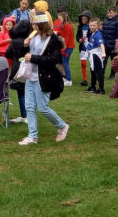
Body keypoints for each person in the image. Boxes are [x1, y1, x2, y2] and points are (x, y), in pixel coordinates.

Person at [17, 10, 69, 146]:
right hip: (30, 76)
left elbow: (54, 59)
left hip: (44, 77)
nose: (33, 26)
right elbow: (26, 54)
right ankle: (32, 136)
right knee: (29, 107)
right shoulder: (33, 37)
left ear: (42, 24)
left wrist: (33, 57)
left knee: (43, 108)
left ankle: (62, 126)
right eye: (32, 24)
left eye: (35, 24)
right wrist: (25, 47)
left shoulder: (53, 39)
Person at [5, 18, 32, 124]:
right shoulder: (29, 40)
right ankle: (26, 115)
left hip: (17, 68)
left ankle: (25, 114)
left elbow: (8, 53)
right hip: (28, 67)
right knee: (27, 92)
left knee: (21, 92)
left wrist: (16, 57)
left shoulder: (14, 41)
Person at [54, 9, 75, 86]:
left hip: (68, 48)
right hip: (67, 47)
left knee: (65, 63)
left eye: (60, 19)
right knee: (64, 63)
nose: (59, 21)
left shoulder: (67, 26)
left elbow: (66, 39)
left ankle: (69, 80)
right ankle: (66, 78)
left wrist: (63, 49)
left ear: (64, 18)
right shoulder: (66, 25)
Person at [84, 20, 105, 94]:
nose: (92, 27)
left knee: (98, 72)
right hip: (92, 54)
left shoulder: (98, 34)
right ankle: (93, 86)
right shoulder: (93, 33)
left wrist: (103, 53)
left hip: (96, 55)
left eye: (93, 25)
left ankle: (101, 89)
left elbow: (101, 44)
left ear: (97, 25)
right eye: (90, 25)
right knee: (92, 71)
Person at [102, 6, 118, 80]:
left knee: (113, 60)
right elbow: (103, 33)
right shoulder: (105, 21)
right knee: (103, 60)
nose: (109, 14)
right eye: (108, 13)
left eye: (111, 13)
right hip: (105, 45)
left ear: (115, 13)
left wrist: (117, 46)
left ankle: (112, 74)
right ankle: (102, 74)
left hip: (114, 45)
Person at [76, 10, 94, 86]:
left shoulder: (92, 26)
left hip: (90, 48)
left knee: (92, 64)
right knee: (83, 63)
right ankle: (85, 80)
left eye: (84, 18)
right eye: (82, 18)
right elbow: (77, 36)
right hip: (83, 47)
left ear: (88, 19)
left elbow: (94, 36)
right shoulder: (80, 27)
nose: (83, 20)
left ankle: (94, 79)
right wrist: (79, 39)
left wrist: (88, 39)